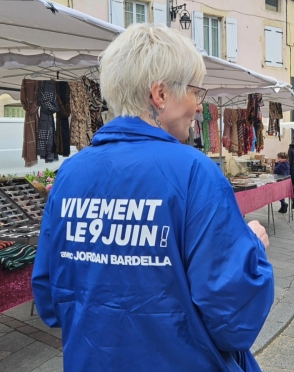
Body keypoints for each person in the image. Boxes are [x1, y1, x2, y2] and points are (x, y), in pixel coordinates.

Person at [31, 24, 274, 371]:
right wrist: (248, 249)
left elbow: (51, 298)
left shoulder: (71, 173)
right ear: (160, 94)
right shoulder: (194, 172)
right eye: (194, 92)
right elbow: (232, 319)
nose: (197, 107)